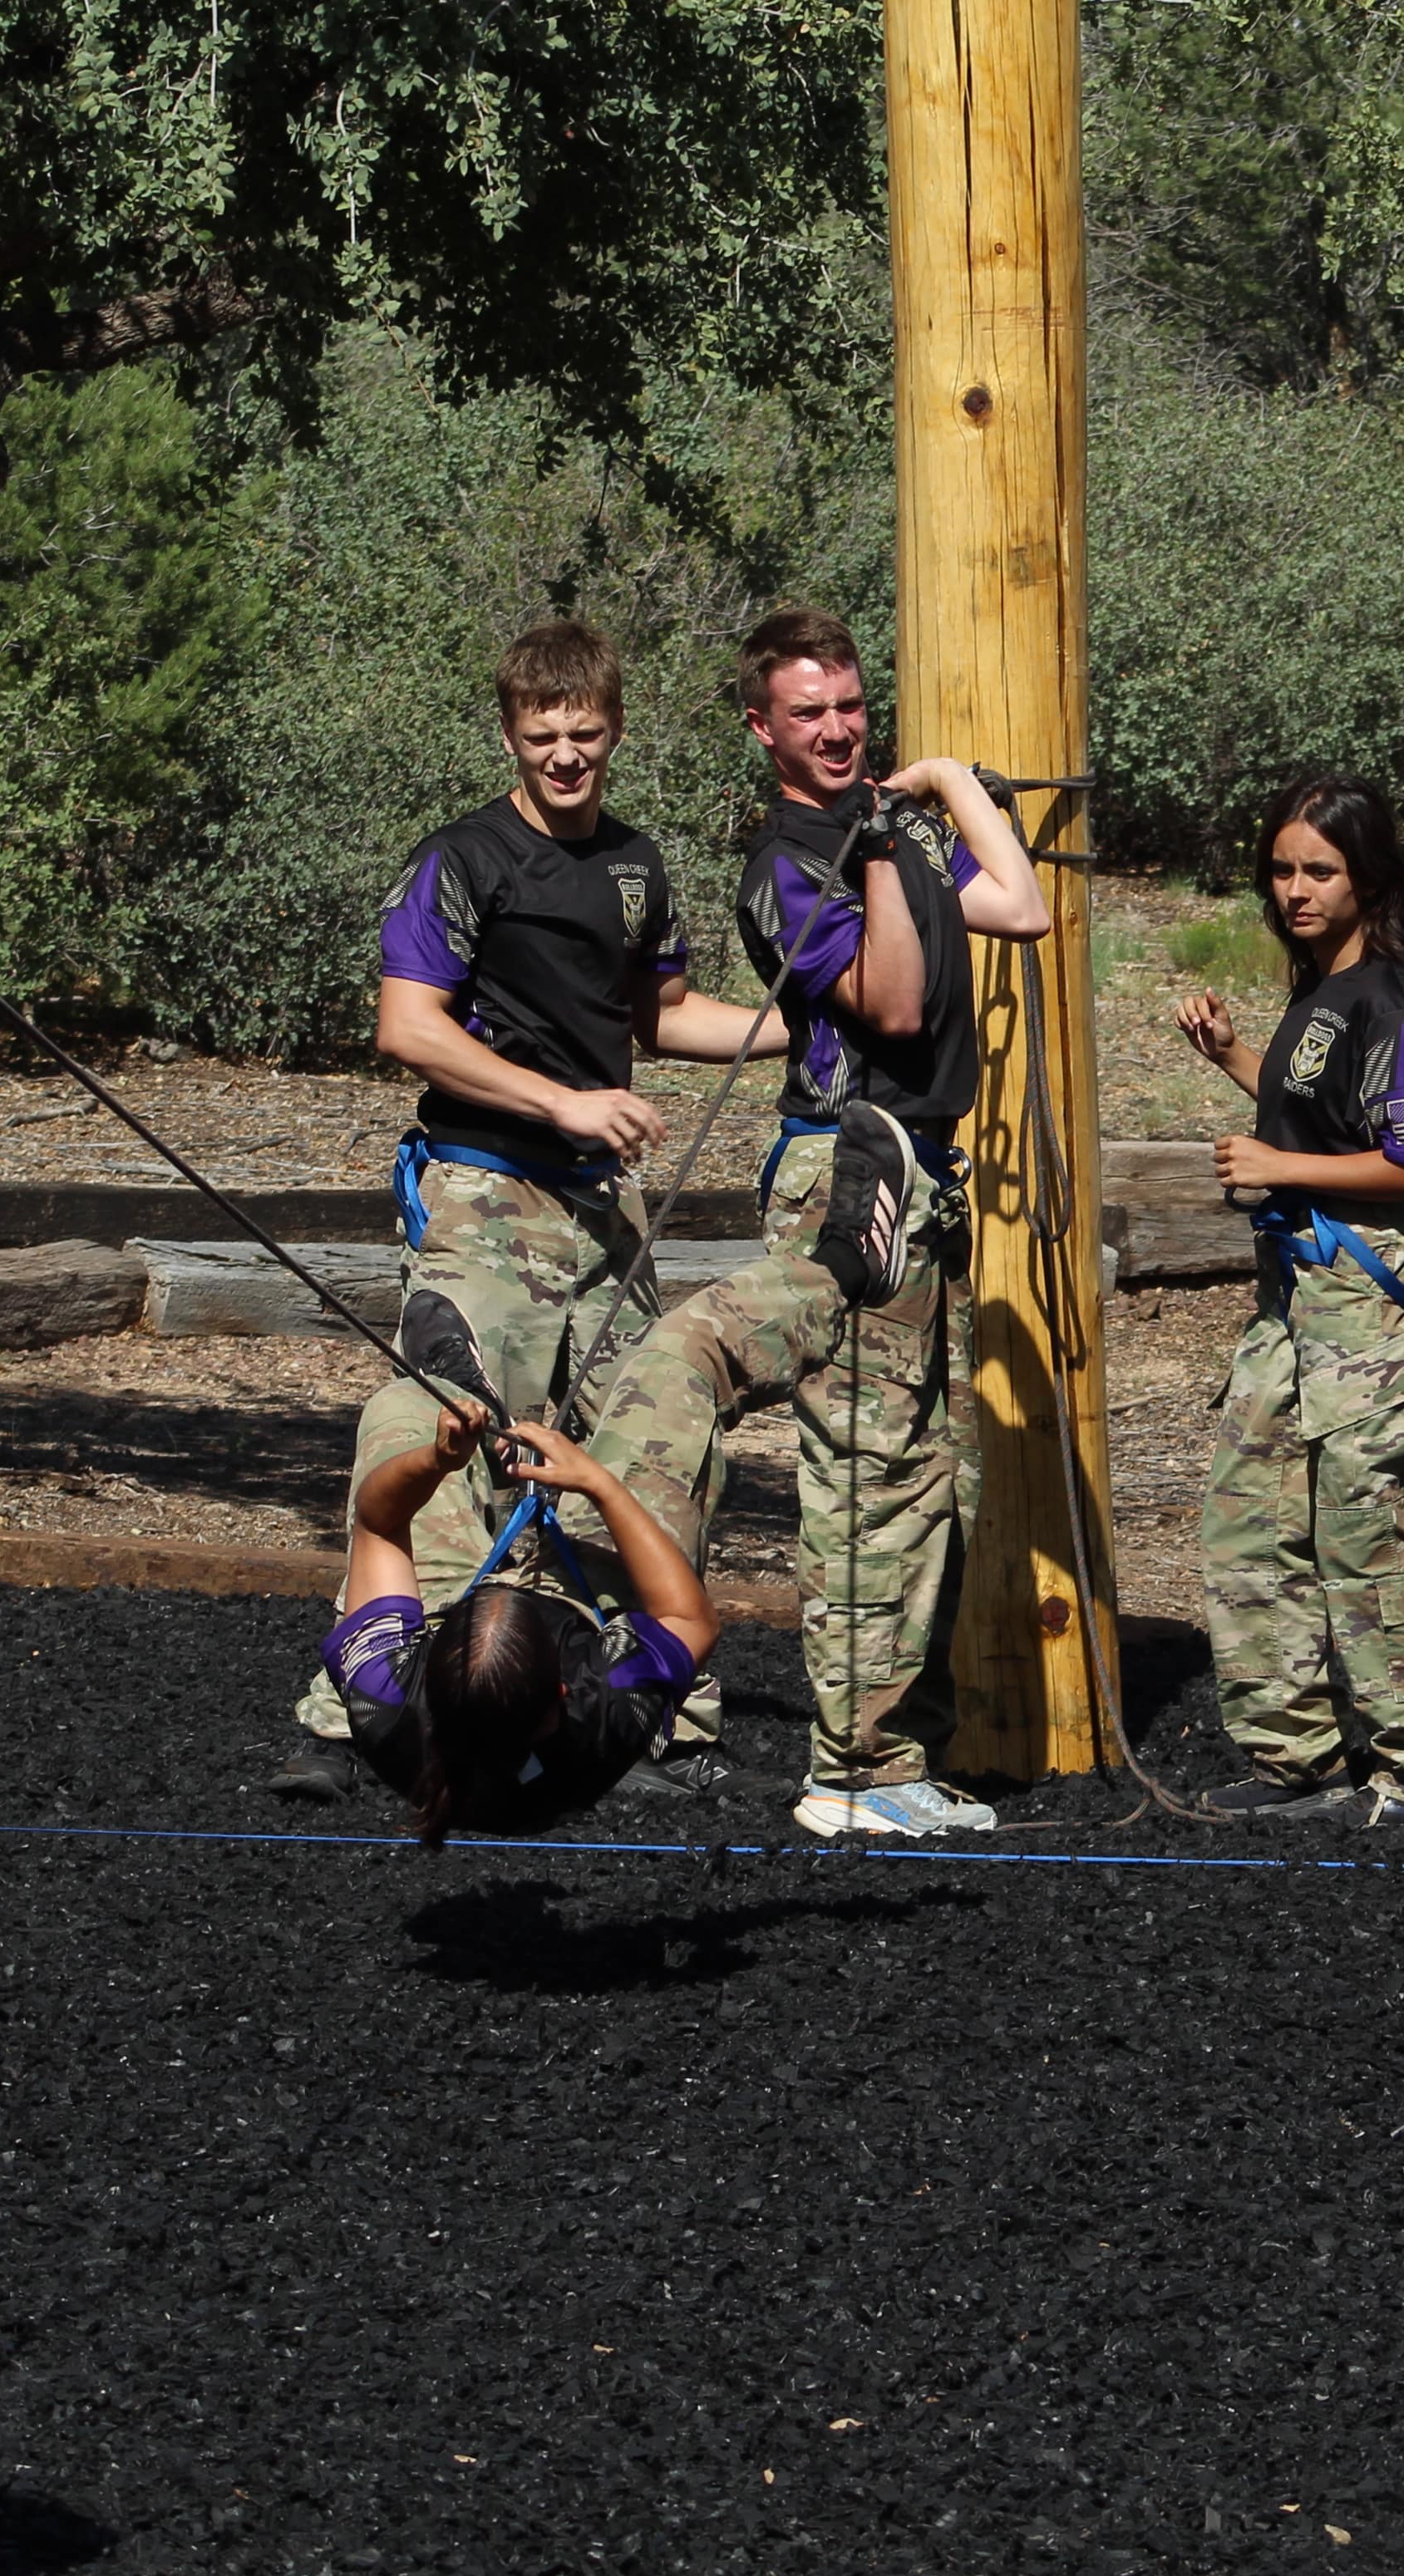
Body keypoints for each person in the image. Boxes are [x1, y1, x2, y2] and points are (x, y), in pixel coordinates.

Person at [270, 622, 783, 1802]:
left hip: (602, 1212)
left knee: (648, 1439)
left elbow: (662, 1016)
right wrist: (564, 1100)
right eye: (543, 737)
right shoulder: (464, 859)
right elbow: (409, 1028)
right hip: (484, 1192)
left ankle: (633, 1704)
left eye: (586, 737)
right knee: (454, 1434)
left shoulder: (638, 867)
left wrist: (798, 1032)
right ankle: (356, 1716)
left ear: (614, 730)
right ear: (510, 734)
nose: (565, 758)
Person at [575, 606, 1051, 1837]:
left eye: (848, 706)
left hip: (914, 1170)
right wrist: (895, 842)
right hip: (848, 1167)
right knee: (871, 1474)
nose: (837, 731)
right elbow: (891, 1003)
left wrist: (944, 783)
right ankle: (856, 1770)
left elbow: (1022, 905)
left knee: (912, 1471)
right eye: (808, 714)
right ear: (760, 729)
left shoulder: (886, 829)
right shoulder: (792, 863)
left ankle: (884, 1759)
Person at [1169, 779, 1404, 1823]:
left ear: (1368, 878)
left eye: (1319, 871)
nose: (1295, 890)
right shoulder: (1322, 993)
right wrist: (1231, 1061)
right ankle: (1293, 1757)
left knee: (1369, 1540)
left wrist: (1273, 1162)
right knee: (1248, 1522)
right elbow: (1317, 1119)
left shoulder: (1388, 997)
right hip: (1290, 1310)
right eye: (1282, 870)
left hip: (1367, 1312)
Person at [318, 1397, 723, 1838]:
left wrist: (438, 1458)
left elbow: (377, 1524)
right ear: (563, 1690)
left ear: (430, 1671)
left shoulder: (388, 1700)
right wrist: (599, 1484)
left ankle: (464, 1397)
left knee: (402, 1405)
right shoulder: (608, 1712)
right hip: (579, 1606)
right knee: (670, 1389)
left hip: (447, 1606)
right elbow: (689, 1618)